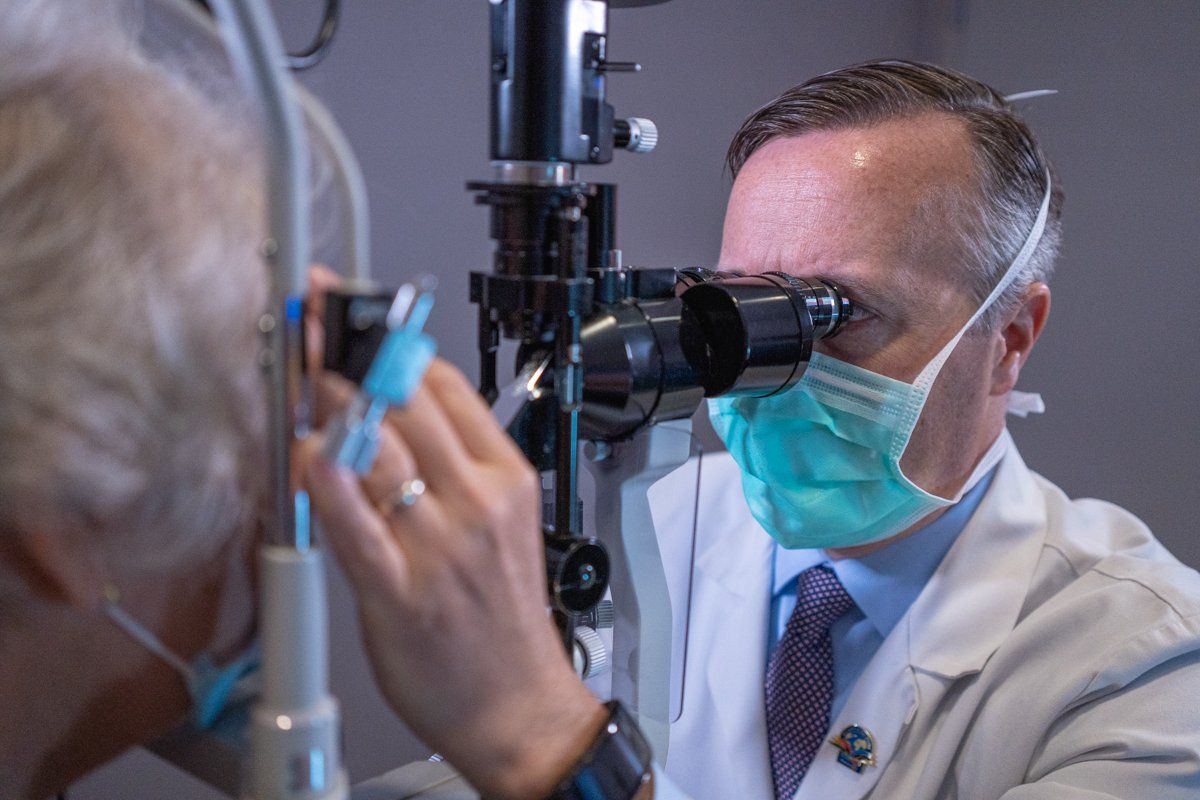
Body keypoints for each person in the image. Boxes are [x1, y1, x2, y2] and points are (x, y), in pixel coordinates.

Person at [303, 63, 1200, 800]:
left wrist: (556, 750)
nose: (771, 365)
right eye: (744, 300)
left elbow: (535, 747)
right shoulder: (648, 520)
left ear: (1008, 341)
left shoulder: (1145, 666)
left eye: (836, 312)